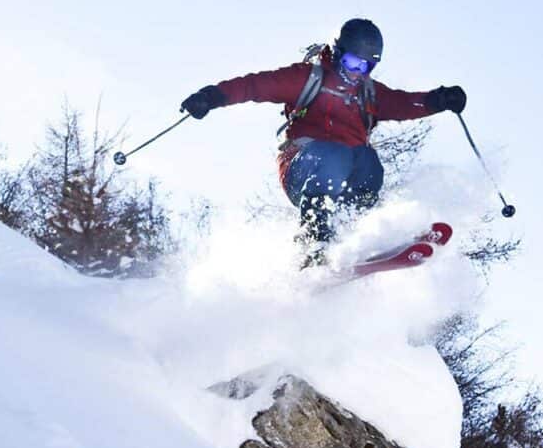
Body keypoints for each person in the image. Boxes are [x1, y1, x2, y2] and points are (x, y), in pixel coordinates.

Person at [181, 18, 467, 265]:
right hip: (304, 167)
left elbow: (405, 103)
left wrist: (438, 100)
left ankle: (351, 233)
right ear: (338, 52)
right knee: (335, 156)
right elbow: (255, 85)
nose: (357, 72)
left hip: (345, 172)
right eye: (352, 62)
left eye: (366, 67)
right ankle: (314, 242)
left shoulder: (368, 93)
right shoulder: (307, 78)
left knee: (369, 163)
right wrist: (212, 96)